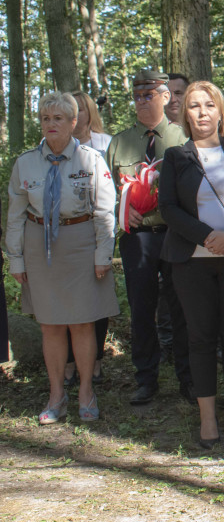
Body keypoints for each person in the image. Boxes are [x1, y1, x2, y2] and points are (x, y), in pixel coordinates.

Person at [6, 92, 118, 424]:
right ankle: (56, 395)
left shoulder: (91, 159)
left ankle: (86, 391)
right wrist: (16, 258)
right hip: (39, 245)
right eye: (45, 118)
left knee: (82, 323)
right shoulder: (25, 162)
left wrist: (103, 253)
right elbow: (15, 215)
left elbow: (104, 212)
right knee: (51, 325)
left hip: (81, 243)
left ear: (74, 122)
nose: (50, 124)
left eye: (58, 118)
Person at [159, 81, 224, 448]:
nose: (202, 112)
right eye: (194, 106)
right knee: (200, 339)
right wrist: (206, 236)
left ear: (220, 111)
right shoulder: (176, 156)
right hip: (191, 262)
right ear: (185, 113)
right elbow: (167, 208)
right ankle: (207, 418)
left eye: (209, 105)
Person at [105, 69, 192, 405]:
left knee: (182, 307)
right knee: (142, 310)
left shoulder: (182, 138)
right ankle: (146, 379)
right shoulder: (119, 142)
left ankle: (187, 377)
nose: (142, 102)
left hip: (175, 235)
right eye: (137, 96)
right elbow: (105, 193)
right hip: (137, 237)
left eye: (149, 95)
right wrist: (120, 211)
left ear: (165, 97)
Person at [65, 91, 111, 386]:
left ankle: (94, 362)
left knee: (95, 299)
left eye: (80, 109)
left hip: (98, 231)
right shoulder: (52, 149)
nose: (76, 115)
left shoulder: (106, 145)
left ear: (89, 113)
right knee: (66, 300)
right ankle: (69, 362)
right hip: (65, 236)